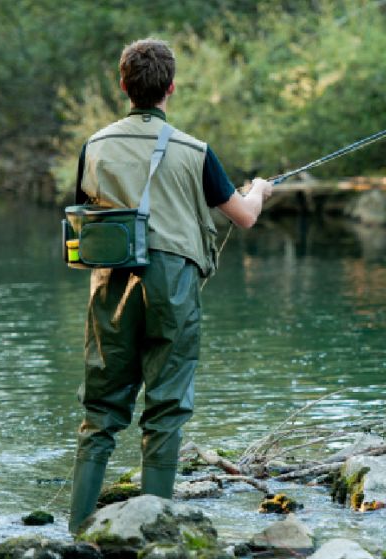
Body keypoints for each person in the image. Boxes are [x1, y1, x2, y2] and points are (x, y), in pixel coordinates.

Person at [67, 37, 272, 534]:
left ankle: (75, 532)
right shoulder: (194, 150)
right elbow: (243, 218)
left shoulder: (94, 145)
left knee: (101, 410)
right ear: (171, 88)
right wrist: (260, 189)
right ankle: (154, 532)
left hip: (110, 283)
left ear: (123, 86)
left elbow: (85, 215)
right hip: (173, 283)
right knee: (166, 405)